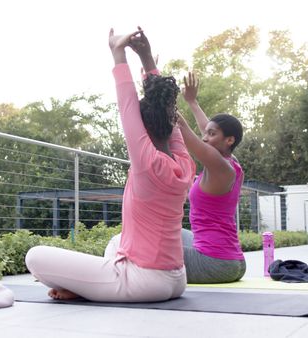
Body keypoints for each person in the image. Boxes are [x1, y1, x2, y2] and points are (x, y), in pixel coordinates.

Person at [24, 28, 196, 302]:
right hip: (176, 278)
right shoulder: (185, 164)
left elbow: (127, 104)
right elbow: (166, 108)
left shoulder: (147, 162)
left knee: (34, 257)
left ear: (145, 128)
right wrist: (147, 59)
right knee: (116, 241)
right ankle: (92, 285)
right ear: (168, 126)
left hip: (145, 282)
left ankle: (89, 287)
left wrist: (119, 54)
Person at [177, 72, 246, 284]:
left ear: (229, 140)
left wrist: (159, 94)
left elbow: (186, 132)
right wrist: (191, 101)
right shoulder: (230, 161)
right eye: (206, 133)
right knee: (173, 231)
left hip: (214, 263)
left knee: (145, 242)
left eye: (212, 134)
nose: (205, 137)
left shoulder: (220, 167)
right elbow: (206, 131)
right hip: (231, 262)